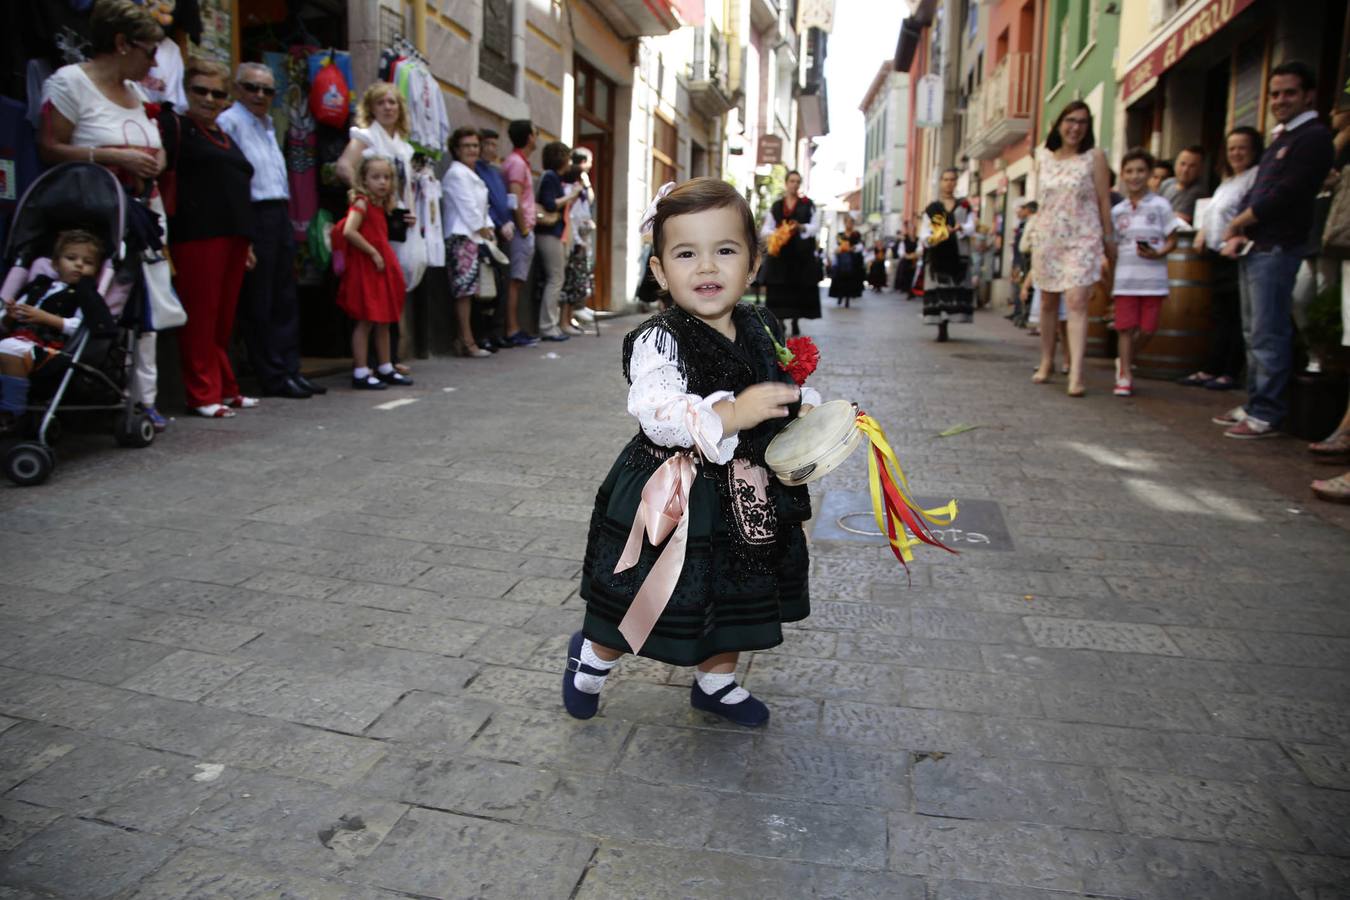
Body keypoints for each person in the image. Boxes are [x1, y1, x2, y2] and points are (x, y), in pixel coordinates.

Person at [563, 177, 822, 727]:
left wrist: (801, 409)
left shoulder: (761, 323)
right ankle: (591, 660)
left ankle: (716, 682)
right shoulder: (661, 339)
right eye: (686, 253)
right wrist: (731, 414)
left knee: (733, 589)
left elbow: (775, 386)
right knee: (645, 594)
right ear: (660, 271)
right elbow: (656, 411)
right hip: (674, 493)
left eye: (724, 251)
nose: (706, 267)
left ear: (752, 264)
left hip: (746, 494)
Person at [37, 0, 168, 430]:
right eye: (150, 50)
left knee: (148, 310)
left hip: (142, 212)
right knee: (104, 303)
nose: (154, 61)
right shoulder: (70, 83)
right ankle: (83, 390)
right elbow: (50, 148)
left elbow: (156, 142)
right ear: (121, 43)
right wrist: (111, 155)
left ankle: (142, 399)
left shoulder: (141, 94)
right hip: (92, 217)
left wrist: (155, 158)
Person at [1217, 61, 1335, 439]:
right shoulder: (1282, 138)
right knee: (1254, 331)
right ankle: (1255, 404)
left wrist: (1240, 221)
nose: (1280, 100)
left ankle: (1267, 413)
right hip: (1257, 244)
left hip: (1279, 246)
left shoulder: (1312, 137)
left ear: (1308, 95)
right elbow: (1259, 189)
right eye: (1274, 93)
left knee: (1269, 332)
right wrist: (1240, 230)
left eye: (1289, 93)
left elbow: (1287, 193)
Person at [159, 58, 258, 418]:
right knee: (200, 317)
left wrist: (246, 242)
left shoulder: (223, 135)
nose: (209, 99)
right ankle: (202, 394)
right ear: (186, 90)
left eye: (218, 93)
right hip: (196, 234)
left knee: (222, 320)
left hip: (233, 236)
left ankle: (226, 387)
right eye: (200, 90)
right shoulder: (176, 127)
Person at [218, 62, 323, 399]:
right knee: (259, 300)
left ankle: (291, 369)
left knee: (284, 296)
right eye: (252, 88)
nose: (260, 95)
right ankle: (272, 374)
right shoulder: (229, 122)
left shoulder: (267, 124)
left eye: (267, 90)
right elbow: (232, 180)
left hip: (279, 211)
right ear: (237, 89)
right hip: (253, 212)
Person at [1023, 100, 1114, 396]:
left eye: (1083, 122)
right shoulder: (1043, 157)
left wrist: (1108, 240)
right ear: (1059, 123)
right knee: (1048, 302)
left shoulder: (1094, 157)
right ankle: (1047, 361)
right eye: (1071, 120)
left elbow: (1103, 199)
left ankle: (1076, 372)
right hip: (1048, 236)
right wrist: (1034, 234)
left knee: (1076, 301)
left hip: (1083, 236)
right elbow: (1040, 201)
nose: (1076, 127)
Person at [0, 230, 112, 432]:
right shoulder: (38, 287)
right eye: (71, 258)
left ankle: (12, 414)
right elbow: (6, 322)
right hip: (18, 339)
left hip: (50, 350)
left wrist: (46, 318)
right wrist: (10, 314)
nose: (79, 264)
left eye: (88, 262)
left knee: (10, 350)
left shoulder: (85, 296)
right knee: (8, 347)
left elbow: (81, 327)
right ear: (55, 263)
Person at [1179, 126, 1263, 391]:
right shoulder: (1227, 182)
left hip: (1237, 254)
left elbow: (1254, 212)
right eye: (1232, 148)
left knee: (1236, 316)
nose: (1236, 153)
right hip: (1217, 255)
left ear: (1254, 150)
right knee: (1220, 315)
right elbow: (1213, 213)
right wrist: (1203, 232)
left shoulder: (1255, 177)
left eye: (1242, 148)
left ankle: (1230, 371)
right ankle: (1212, 368)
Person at [1109, 149, 1182, 397]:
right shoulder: (1118, 211)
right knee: (1125, 328)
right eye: (1129, 171)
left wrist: (1159, 252)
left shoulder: (1161, 206)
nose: (1135, 176)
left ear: (1150, 174)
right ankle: (1125, 375)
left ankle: (1125, 360)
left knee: (1149, 329)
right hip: (1125, 280)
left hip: (1153, 279)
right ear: (1123, 175)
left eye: (1140, 171)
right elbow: (1114, 245)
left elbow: (1173, 239)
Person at [334, 155, 411, 390]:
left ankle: (385, 365)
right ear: (364, 180)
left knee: (384, 319)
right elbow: (349, 230)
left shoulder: (379, 205)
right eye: (376, 177)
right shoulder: (362, 203)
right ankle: (360, 369)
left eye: (386, 177)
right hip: (367, 266)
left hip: (378, 267)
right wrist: (373, 252)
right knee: (366, 319)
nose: (382, 182)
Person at [440, 126, 494, 358]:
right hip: (462, 237)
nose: (472, 150)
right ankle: (466, 340)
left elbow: (481, 209)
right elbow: (468, 209)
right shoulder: (456, 173)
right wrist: (484, 230)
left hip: (474, 237)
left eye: (474, 145)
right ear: (456, 149)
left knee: (470, 292)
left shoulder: (471, 173)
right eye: (466, 146)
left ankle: (466, 339)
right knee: (464, 292)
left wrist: (488, 228)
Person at [761, 170, 823, 333]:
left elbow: (816, 226)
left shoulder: (807, 204)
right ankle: (780, 321)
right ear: (786, 183)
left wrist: (801, 227)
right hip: (780, 256)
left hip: (800, 256)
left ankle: (795, 321)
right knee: (779, 289)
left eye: (797, 181)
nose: (794, 184)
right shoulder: (777, 205)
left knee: (798, 289)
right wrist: (778, 233)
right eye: (791, 181)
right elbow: (766, 229)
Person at [920, 168, 977, 341]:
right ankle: (941, 325)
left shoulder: (964, 206)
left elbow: (972, 226)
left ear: (956, 182)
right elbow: (924, 233)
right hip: (938, 254)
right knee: (938, 289)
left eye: (952, 179)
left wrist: (960, 228)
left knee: (955, 287)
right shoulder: (933, 208)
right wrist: (933, 239)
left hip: (958, 253)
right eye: (945, 179)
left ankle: (949, 319)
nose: (949, 183)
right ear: (941, 182)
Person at [535, 140, 583, 341]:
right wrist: (571, 196)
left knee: (556, 278)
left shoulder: (553, 177)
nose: (569, 162)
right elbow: (549, 204)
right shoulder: (550, 177)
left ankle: (550, 324)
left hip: (554, 234)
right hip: (549, 234)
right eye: (567, 157)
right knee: (556, 278)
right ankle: (548, 326)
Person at [501, 119, 540, 346]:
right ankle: (512, 329)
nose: (537, 137)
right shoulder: (516, 163)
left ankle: (513, 328)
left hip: (522, 229)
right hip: (520, 230)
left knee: (517, 280)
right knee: (515, 280)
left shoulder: (519, 162)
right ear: (528, 137)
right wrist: (524, 229)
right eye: (535, 133)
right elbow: (513, 199)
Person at [474, 128, 514, 350]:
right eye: (487, 144)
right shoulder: (477, 171)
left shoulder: (494, 172)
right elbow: (484, 205)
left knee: (499, 286)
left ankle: (495, 331)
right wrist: (499, 223)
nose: (491, 149)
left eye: (494, 145)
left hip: (500, 234)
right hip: (487, 234)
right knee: (485, 288)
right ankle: (483, 334)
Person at [559, 153, 597, 334]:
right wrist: (579, 241)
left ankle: (569, 319)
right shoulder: (571, 192)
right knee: (570, 283)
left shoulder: (578, 194)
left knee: (575, 283)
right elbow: (571, 219)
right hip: (573, 243)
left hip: (578, 241)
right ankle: (564, 321)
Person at [826, 214, 864, 311]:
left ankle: (848, 296)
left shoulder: (856, 235)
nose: (849, 224)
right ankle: (840, 295)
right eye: (848, 222)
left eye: (851, 222)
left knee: (850, 280)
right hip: (841, 261)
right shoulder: (840, 235)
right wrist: (839, 249)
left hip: (852, 261)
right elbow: (835, 247)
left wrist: (852, 248)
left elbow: (860, 246)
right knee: (840, 279)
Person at [1160, 145, 1206, 225]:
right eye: (1182, 164)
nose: (1185, 170)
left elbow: (1180, 218)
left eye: (1192, 166)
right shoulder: (1167, 183)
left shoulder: (1198, 191)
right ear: (1175, 164)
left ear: (1200, 169)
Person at [1008, 200, 1037, 324]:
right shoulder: (1022, 223)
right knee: (1017, 286)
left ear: (1028, 210)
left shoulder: (1033, 222)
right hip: (1018, 259)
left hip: (1026, 260)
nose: (1020, 212)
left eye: (1023, 209)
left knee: (1024, 287)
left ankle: (1023, 314)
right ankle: (1017, 312)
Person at [894, 223, 919, 298]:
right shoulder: (904, 241)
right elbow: (901, 251)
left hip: (915, 260)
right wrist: (907, 256)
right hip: (906, 261)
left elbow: (920, 249)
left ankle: (912, 291)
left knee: (914, 277)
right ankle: (908, 291)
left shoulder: (917, 239)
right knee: (906, 276)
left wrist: (914, 255)